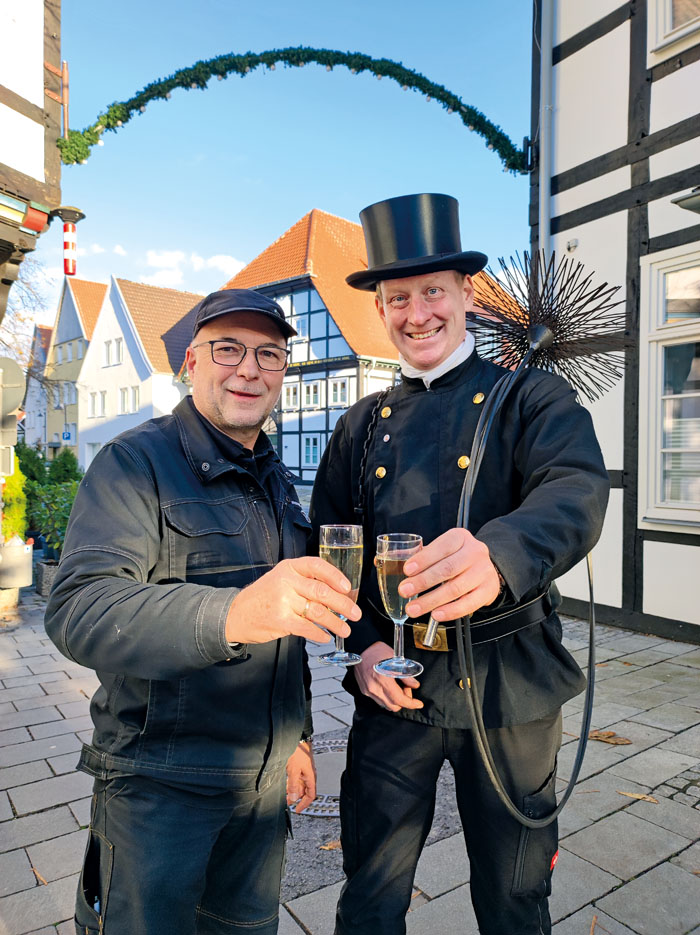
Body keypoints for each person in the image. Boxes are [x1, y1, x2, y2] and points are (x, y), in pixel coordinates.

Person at [310, 193, 610, 935]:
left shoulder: (531, 398)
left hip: (510, 689)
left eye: (432, 292)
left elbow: (576, 489)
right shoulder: (361, 425)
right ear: (381, 309)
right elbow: (328, 544)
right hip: (395, 693)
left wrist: (501, 553)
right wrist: (364, 646)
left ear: (467, 295)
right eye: (397, 298)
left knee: (513, 900)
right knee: (370, 896)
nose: (416, 314)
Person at [44, 288, 361, 935]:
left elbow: (289, 627)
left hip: (261, 793)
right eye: (229, 349)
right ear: (192, 361)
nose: (249, 368)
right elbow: (78, 607)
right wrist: (231, 614)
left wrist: (295, 732)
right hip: (160, 793)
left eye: (268, 354)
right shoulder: (135, 463)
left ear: (282, 373)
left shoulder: (273, 478)